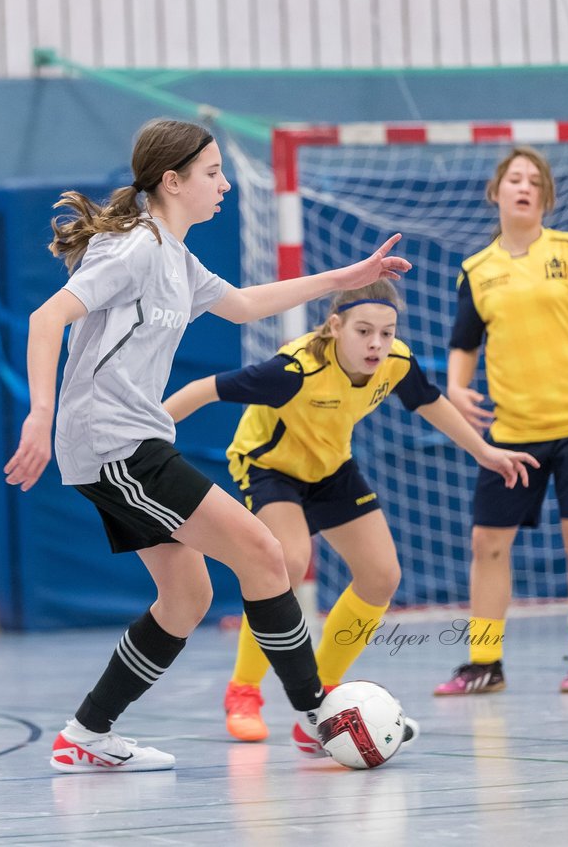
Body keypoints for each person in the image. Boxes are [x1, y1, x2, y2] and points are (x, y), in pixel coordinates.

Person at [3, 118, 412, 772]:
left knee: (187, 598)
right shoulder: (133, 248)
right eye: (214, 172)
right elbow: (46, 317)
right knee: (262, 551)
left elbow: (248, 305)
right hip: (115, 445)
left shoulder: (175, 258)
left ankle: (86, 734)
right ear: (173, 180)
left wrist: (346, 278)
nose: (224, 184)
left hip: (125, 444)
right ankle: (315, 714)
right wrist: (39, 417)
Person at [162, 279, 539, 742]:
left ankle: (322, 701)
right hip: (269, 465)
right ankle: (244, 690)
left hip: (330, 467)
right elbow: (205, 388)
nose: (376, 343)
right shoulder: (294, 370)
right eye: (363, 331)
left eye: (386, 331)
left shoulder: (395, 362)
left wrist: (484, 451)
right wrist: (145, 435)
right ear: (336, 327)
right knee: (287, 563)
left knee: (381, 575)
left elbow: (430, 402)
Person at [433, 145, 568, 696]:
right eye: (514, 178)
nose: (523, 186)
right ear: (496, 192)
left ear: (544, 198)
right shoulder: (477, 271)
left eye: (534, 181)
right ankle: (485, 664)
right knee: (487, 544)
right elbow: (463, 343)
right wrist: (455, 386)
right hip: (514, 432)